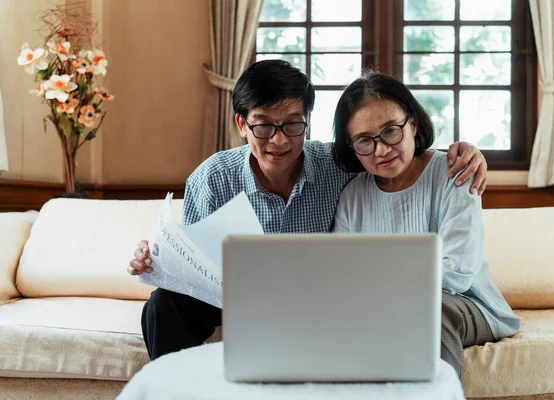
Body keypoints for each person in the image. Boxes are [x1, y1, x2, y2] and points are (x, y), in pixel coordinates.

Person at [128, 60, 490, 361]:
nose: (279, 139)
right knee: (163, 305)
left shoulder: (338, 167)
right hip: (238, 298)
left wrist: (463, 151)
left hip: (310, 300)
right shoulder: (211, 179)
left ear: (308, 122)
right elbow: (192, 266)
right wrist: (158, 262)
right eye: (264, 126)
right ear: (242, 124)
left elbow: (391, 154)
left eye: (292, 124)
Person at [331, 70, 520, 380]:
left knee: (431, 307)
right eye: (364, 140)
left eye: (391, 131)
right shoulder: (353, 194)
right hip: (383, 307)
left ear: (413, 124)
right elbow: (345, 272)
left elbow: (456, 273)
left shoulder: (454, 173)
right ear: (352, 146)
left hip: (464, 304)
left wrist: (383, 297)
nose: (381, 149)